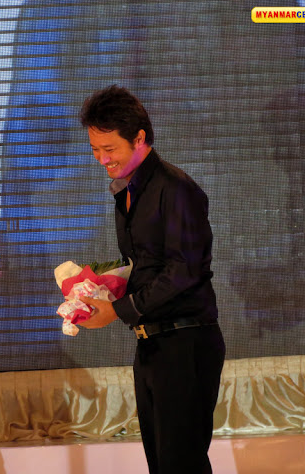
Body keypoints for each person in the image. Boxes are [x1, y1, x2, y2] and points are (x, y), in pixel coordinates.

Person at [79, 85, 226, 474]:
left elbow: (184, 270)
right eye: (95, 149)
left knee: (181, 465)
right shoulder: (126, 192)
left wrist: (117, 310)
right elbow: (145, 266)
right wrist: (102, 288)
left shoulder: (175, 189)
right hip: (151, 344)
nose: (101, 159)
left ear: (139, 138)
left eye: (109, 149)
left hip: (185, 342)